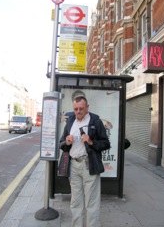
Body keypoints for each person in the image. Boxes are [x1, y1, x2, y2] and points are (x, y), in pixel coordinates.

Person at [60, 95, 110, 227]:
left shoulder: (95, 121)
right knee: (76, 202)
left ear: (87, 108)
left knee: (91, 203)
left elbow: (105, 143)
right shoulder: (70, 121)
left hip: (89, 165)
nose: (78, 111)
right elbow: (62, 144)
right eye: (75, 109)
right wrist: (67, 142)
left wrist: (91, 142)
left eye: (81, 108)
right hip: (73, 166)